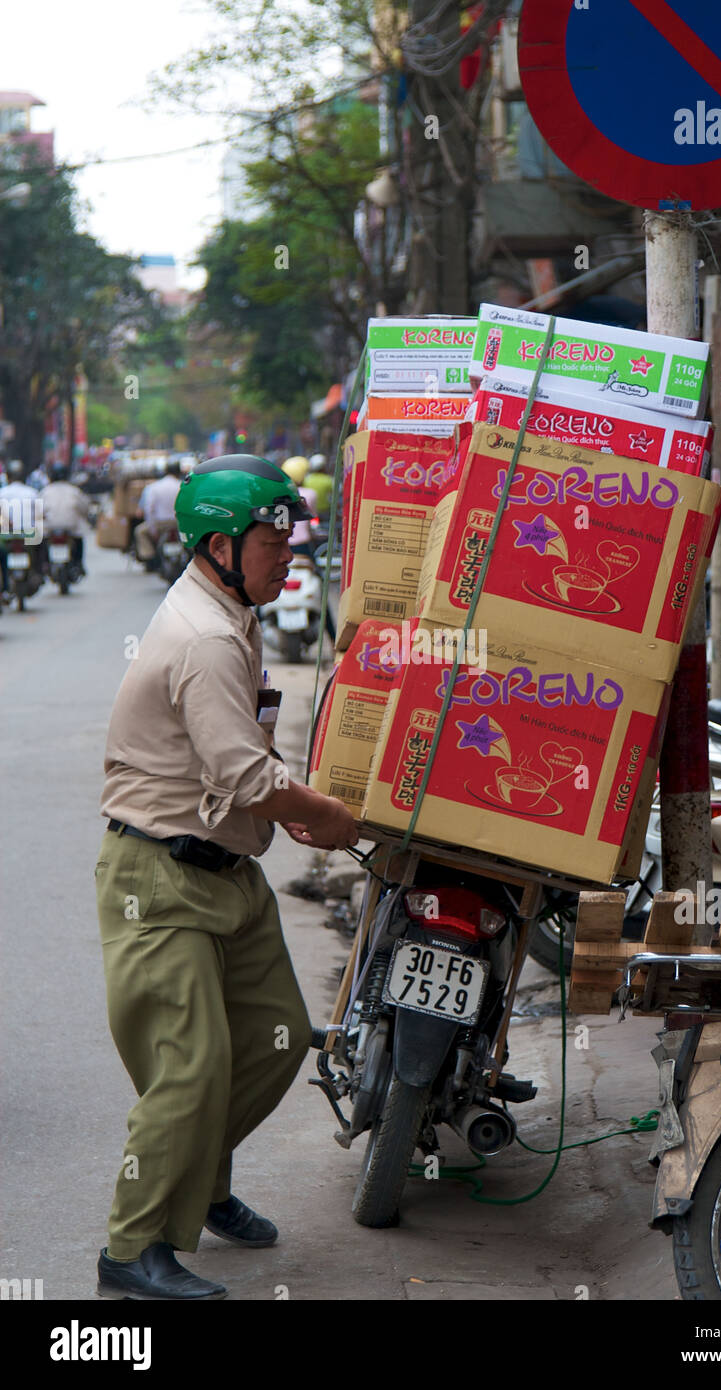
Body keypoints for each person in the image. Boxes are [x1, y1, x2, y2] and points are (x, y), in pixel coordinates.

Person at [94, 454, 358, 1301]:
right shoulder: (208, 637)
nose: (288, 556)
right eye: (271, 542)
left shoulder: (231, 612)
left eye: (290, 540)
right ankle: (130, 1249)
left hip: (227, 871)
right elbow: (249, 778)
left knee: (278, 1035)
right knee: (192, 1067)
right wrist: (330, 816)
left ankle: (199, 1183)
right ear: (218, 546)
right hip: (161, 877)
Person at [280, 455, 336, 642]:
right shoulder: (309, 494)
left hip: (282, 545)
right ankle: (333, 637)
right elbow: (311, 519)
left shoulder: (278, 494)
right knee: (321, 589)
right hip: (304, 549)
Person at [40, 464, 90, 573]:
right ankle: (78, 563)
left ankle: (45, 564)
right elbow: (84, 507)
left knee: (42, 541)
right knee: (79, 539)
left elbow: (39, 510)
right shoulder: (74, 491)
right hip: (71, 526)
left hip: (50, 526)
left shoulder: (46, 491)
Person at [0, 460, 41, 592]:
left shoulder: (2, 492)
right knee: (38, 548)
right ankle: (38, 572)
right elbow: (40, 514)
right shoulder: (32, 492)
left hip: (7, 535)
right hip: (29, 534)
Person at [133, 461, 183, 565]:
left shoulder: (154, 487)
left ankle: (150, 558)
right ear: (179, 472)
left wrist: (153, 529)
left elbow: (149, 509)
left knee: (139, 531)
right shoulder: (182, 486)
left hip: (160, 524)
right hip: (179, 524)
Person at [304, 454, 334, 520]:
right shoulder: (328, 480)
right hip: (325, 512)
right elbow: (337, 493)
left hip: (310, 512)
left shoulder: (307, 479)